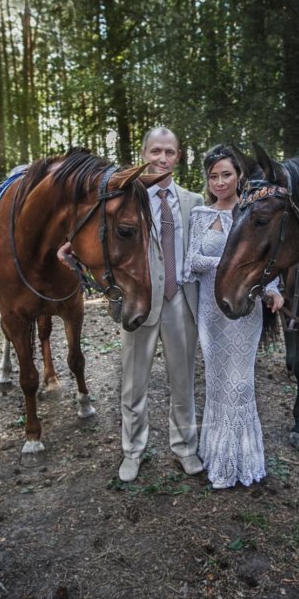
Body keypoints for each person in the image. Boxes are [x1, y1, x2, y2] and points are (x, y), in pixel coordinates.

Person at [185, 145, 284, 489]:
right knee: (216, 383)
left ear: (239, 176)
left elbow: (264, 258)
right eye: (213, 176)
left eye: (227, 174)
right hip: (211, 311)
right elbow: (191, 262)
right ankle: (217, 458)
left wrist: (275, 289)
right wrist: (225, 264)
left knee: (241, 384)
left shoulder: (250, 213)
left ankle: (244, 460)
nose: (220, 181)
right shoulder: (200, 215)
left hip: (246, 308)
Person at [118, 127, 204, 482]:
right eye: (155, 152)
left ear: (178, 157)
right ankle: (132, 451)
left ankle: (185, 447)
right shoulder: (126, 200)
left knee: (182, 381)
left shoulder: (194, 201)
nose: (162, 159)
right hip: (140, 301)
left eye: (169, 152)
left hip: (181, 302)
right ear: (144, 154)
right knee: (133, 383)